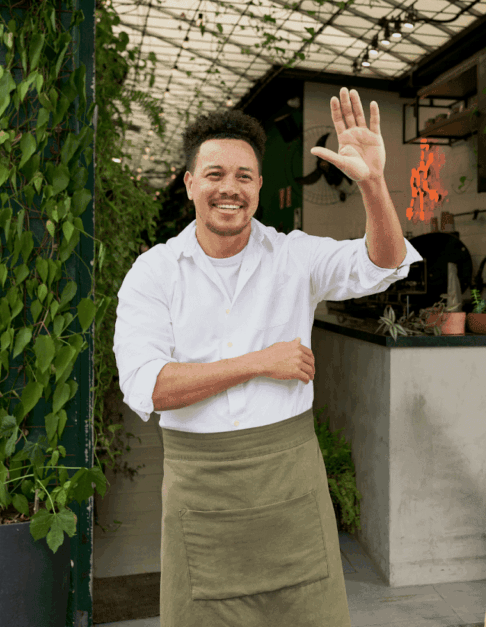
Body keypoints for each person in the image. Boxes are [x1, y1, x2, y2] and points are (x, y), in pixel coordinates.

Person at [113, 88, 422, 626]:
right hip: (200, 488)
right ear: (189, 184)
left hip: (289, 484)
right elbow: (150, 386)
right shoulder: (154, 273)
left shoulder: (294, 256)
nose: (229, 188)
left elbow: (384, 262)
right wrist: (259, 362)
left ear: (258, 187)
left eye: (244, 176)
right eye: (214, 174)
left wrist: (373, 182)